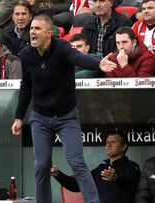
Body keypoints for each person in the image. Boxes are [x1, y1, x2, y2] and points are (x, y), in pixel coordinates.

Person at [11, 14, 117, 203]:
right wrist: (19, 117)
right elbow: (26, 86)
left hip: (66, 115)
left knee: (76, 162)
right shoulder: (26, 55)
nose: (32, 32)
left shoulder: (62, 48)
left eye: (37, 29)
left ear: (49, 33)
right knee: (41, 165)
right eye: (31, 28)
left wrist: (98, 63)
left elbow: (78, 58)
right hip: (41, 116)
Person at [51, 131, 141, 203]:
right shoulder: (101, 168)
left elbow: (131, 183)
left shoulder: (132, 166)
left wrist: (116, 178)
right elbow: (77, 185)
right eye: (107, 142)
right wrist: (58, 174)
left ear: (123, 147)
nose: (108, 145)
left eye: (113, 142)